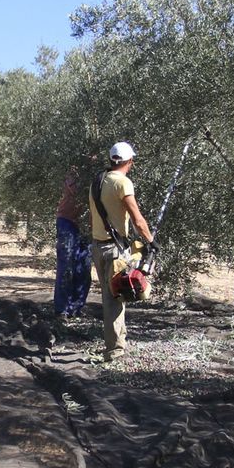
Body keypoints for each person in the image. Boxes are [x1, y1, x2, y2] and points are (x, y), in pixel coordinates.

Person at [89, 141, 155, 362]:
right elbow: (137, 218)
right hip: (114, 250)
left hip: (98, 246)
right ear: (129, 162)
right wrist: (151, 240)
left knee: (112, 295)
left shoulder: (98, 180)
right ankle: (115, 351)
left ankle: (117, 343)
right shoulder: (123, 183)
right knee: (115, 298)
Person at [53, 166, 93, 317]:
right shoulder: (75, 170)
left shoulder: (101, 173)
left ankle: (77, 307)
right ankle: (61, 309)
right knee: (66, 264)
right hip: (67, 221)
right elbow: (75, 191)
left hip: (86, 225)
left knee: (84, 266)